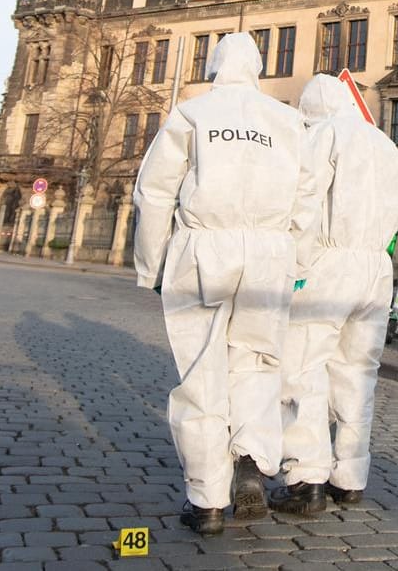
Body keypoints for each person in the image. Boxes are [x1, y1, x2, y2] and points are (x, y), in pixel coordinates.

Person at [134, 33, 319, 537]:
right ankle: (252, 464)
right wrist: (296, 261)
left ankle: (207, 499)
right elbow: (308, 197)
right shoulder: (286, 120)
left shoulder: (194, 114)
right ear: (258, 69)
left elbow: (154, 193)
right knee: (257, 364)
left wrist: (151, 266)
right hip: (268, 254)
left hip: (205, 249)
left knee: (202, 372)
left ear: (215, 66)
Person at [269, 74, 398, 514]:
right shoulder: (383, 143)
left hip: (328, 263)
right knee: (358, 373)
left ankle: (306, 477)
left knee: (304, 367)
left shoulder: (324, 135)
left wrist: (294, 263)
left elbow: (305, 202)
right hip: (374, 266)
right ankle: (350, 476)